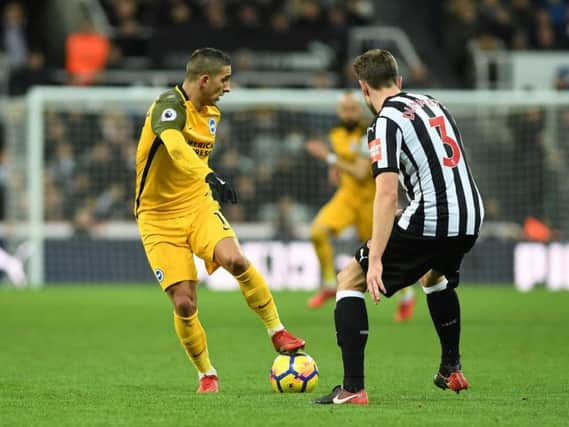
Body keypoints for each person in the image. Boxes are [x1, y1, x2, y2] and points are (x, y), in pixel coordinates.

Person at [314, 49, 484, 405]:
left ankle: (352, 388)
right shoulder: (432, 102)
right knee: (433, 276)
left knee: (349, 279)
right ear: (400, 81)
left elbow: (387, 194)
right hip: (470, 214)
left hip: (434, 217)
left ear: (363, 88)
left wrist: (374, 258)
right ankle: (451, 367)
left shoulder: (384, 122)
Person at [134, 47, 305, 394]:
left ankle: (277, 330)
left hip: (197, 205)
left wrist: (205, 183)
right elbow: (176, 148)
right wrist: (209, 174)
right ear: (204, 79)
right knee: (184, 302)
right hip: (157, 218)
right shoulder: (167, 107)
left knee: (235, 259)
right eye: (225, 79)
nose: (228, 87)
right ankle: (206, 374)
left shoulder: (212, 112)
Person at [305, 92, 415, 322]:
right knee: (317, 232)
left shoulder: (370, 133)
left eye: (352, 109)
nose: (348, 113)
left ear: (361, 109)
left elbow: (360, 171)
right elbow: (345, 162)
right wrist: (334, 167)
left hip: (371, 200)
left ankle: (406, 295)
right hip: (346, 197)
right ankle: (328, 284)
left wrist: (328, 158)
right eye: (344, 109)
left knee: (381, 252)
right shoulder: (335, 133)